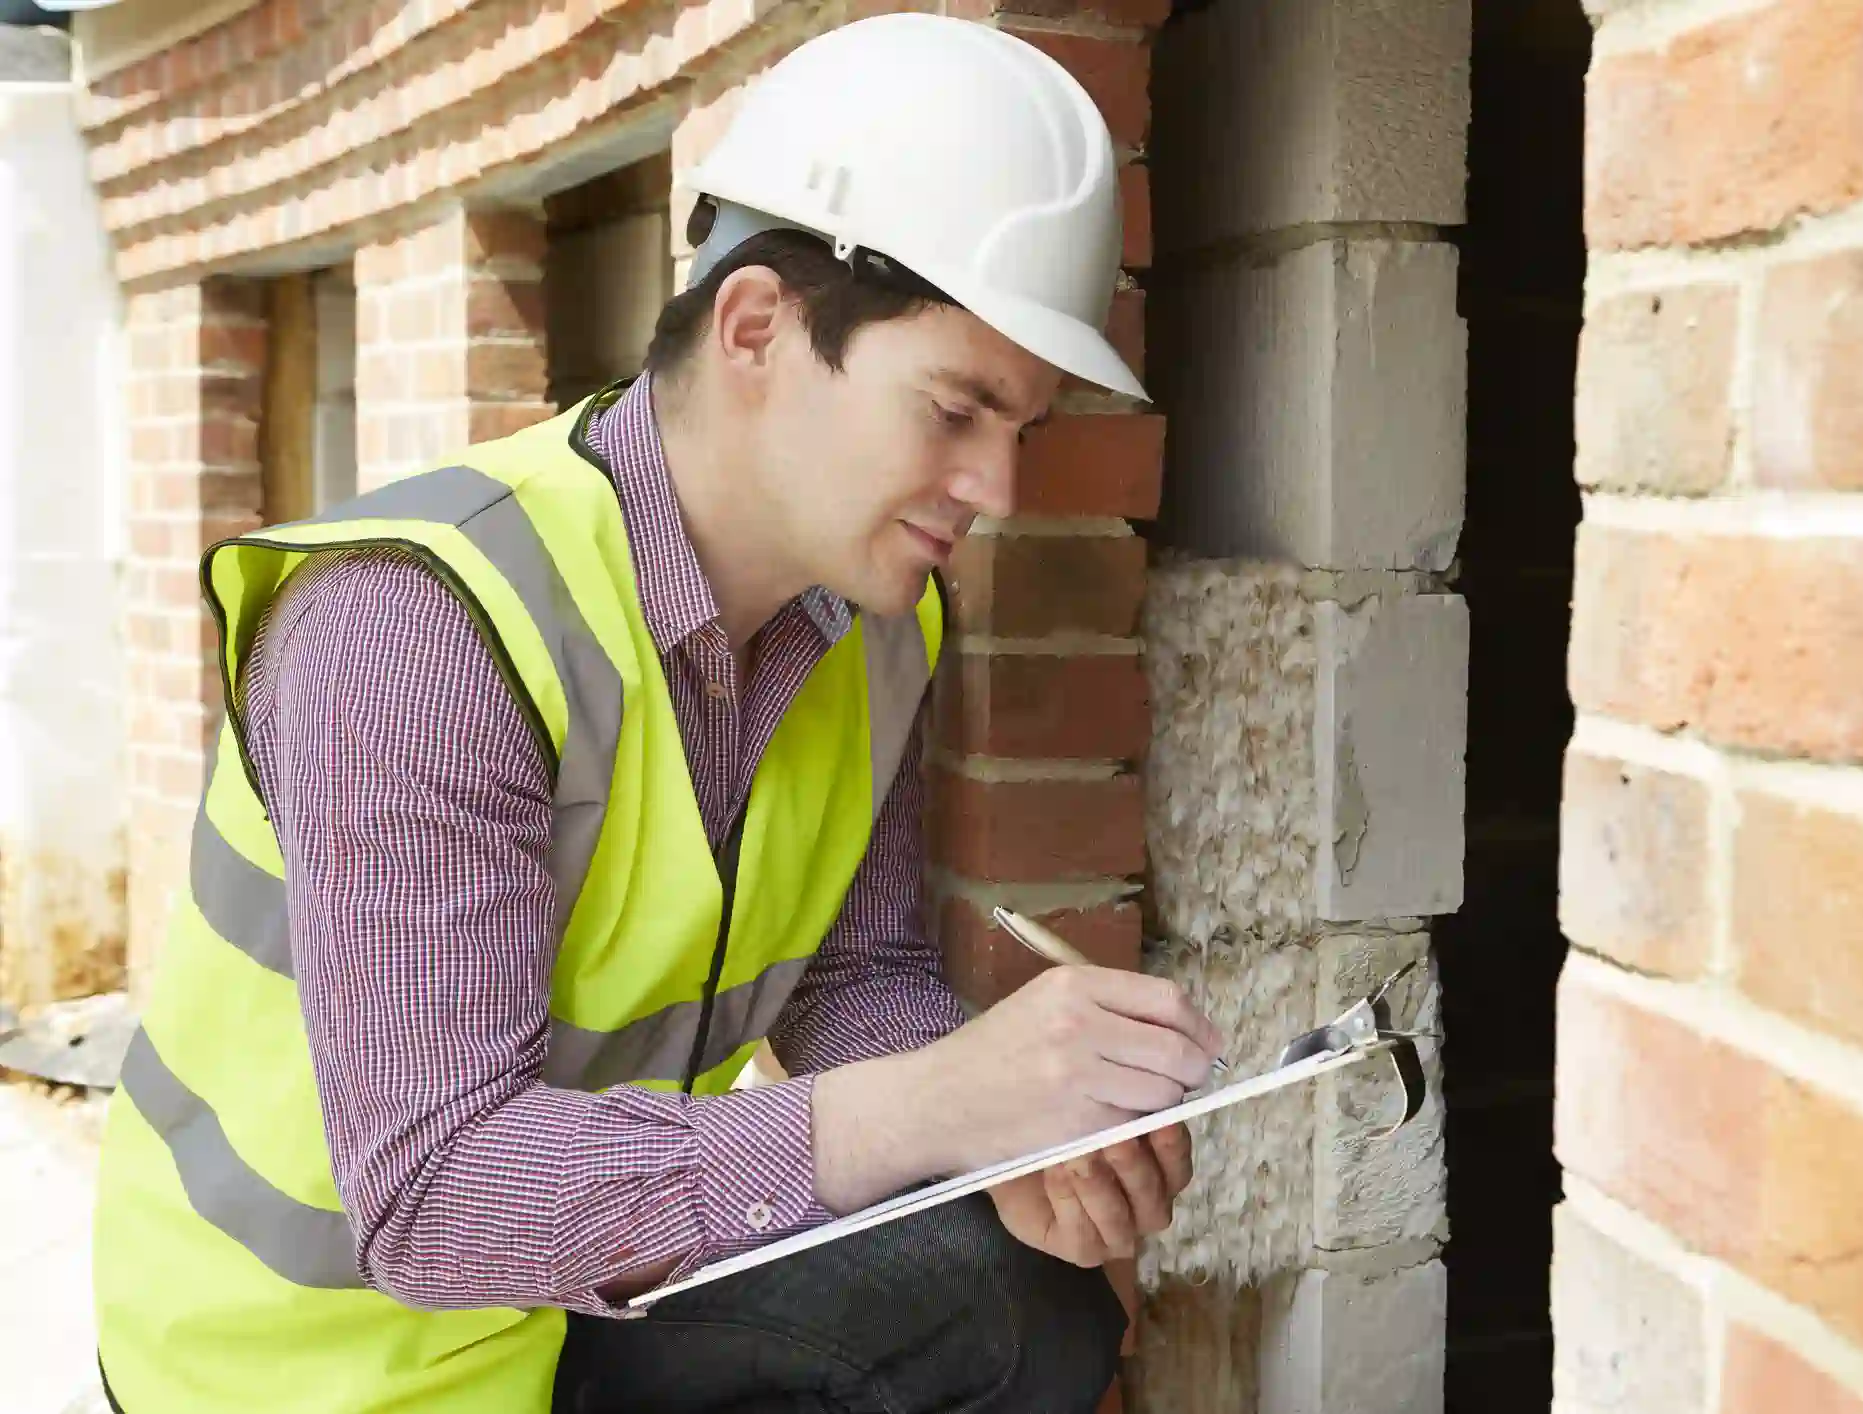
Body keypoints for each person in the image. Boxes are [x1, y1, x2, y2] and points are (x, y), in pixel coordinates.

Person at [91, 15, 1221, 1413]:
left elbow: (850, 978)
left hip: (567, 1313)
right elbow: (441, 1197)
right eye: (954, 409)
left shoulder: (878, 629)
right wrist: (930, 1108)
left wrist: (1009, 1142)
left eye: (1022, 428)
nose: (995, 487)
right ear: (756, 327)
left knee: (1011, 1296)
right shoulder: (418, 630)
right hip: (288, 1369)